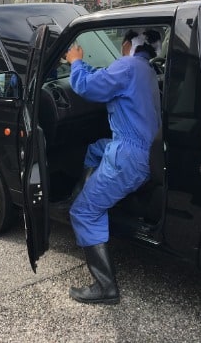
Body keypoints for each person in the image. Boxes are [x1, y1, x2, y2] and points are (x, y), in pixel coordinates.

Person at [64, 28, 162, 304]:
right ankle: (84, 192)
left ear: (128, 44)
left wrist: (75, 61)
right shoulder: (145, 69)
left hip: (128, 157)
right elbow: (106, 80)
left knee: (83, 212)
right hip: (142, 148)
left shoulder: (127, 66)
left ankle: (104, 287)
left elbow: (85, 86)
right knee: (94, 149)